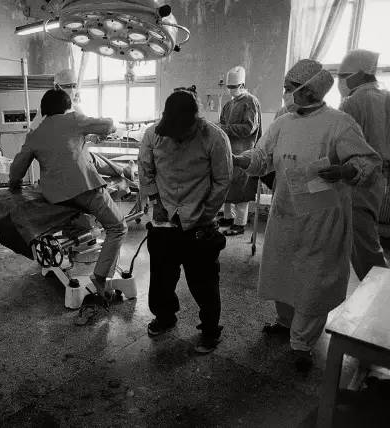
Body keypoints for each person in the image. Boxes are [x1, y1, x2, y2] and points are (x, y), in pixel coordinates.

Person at [233, 59, 382, 372]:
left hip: (321, 219)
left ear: (309, 90)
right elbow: (262, 157)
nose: (285, 93)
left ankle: (302, 344)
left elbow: (369, 161)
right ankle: (286, 322)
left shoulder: (339, 123)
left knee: (313, 280)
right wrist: (240, 159)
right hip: (286, 213)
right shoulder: (283, 123)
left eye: (289, 88)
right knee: (283, 271)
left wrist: (345, 170)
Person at [9, 89, 126, 316]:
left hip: (54, 195)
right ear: (67, 106)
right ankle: (100, 277)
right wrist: (108, 127)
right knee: (117, 227)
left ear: (43, 109)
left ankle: (78, 236)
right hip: (84, 188)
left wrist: (14, 186)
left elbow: (17, 169)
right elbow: (107, 125)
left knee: (91, 164)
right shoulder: (74, 119)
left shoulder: (35, 133)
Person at [138, 89, 232, 354]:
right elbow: (145, 169)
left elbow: (223, 180)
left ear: (195, 120)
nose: (177, 136)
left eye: (183, 131)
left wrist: (206, 213)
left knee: (204, 282)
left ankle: (210, 330)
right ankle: (165, 317)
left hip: (199, 221)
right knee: (161, 277)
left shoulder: (214, 137)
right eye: (173, 131)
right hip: (165, 219)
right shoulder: (153, 134)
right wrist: (155, 202)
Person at [338, 49, 389, 280]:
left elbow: (340, 146)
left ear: (359, 74)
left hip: (358, 180)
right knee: (364, 237)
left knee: (364, 244)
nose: (340, 81)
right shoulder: (385, 97)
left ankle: (380, 293)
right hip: (379, 180)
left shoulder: (353, 103)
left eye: (343, 76)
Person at [218, 66, 262, 236]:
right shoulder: (229, 104)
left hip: (244, 153)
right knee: (227, 186)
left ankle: (240, 223)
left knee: (242, 189)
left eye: (233, 87)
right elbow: (222, 124)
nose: (230, 90)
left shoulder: (250, 102)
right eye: (228, 87)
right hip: (228, 152)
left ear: (242, 85)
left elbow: (250, 128)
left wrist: (227, 129)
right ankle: (228, 218)